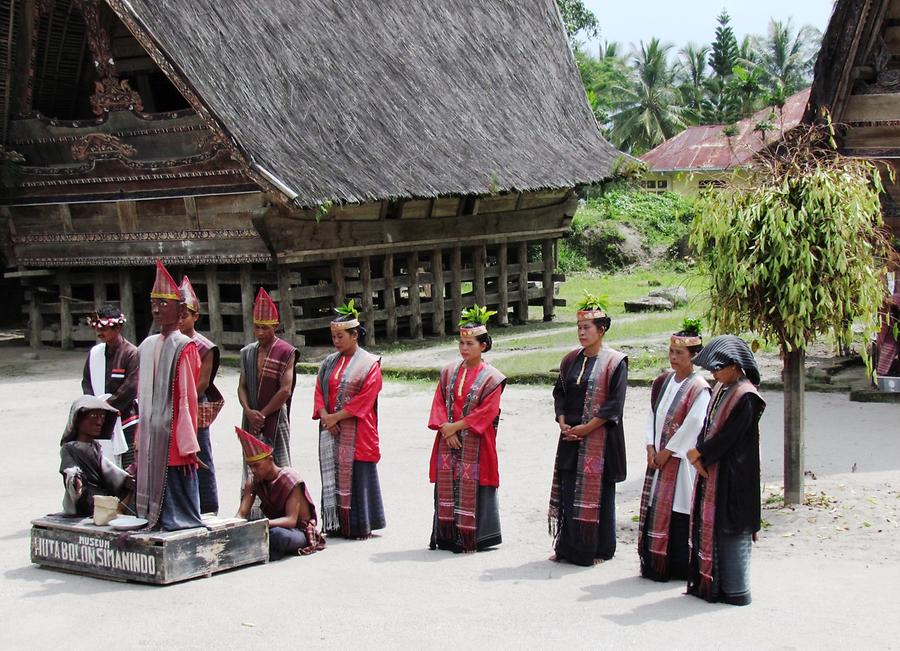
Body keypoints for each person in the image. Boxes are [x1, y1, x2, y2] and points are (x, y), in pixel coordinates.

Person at [685, 335, 766, 606]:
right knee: (712, 527)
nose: (714, 373)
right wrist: (699, 451)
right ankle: (712, 585)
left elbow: (729, 436)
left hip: (735, 476)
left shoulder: (747, 396)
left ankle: (734, 590)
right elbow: (708, 425)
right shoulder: (721, 387)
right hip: (714, 468)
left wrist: (701, 455)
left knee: (731, 528)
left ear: (735, 365)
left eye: (718, 368)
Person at [548, 292, 628, 566]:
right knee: (569, 488)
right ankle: (568, 547)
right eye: (579, 328)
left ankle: (599, 549)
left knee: (600, 495)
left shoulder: (616, 362)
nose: (582, 333)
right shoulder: (570, 359)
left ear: (601, 330)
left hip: (600, 438)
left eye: (587, 328)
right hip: (570, 435)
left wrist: (587, 428)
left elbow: (614, 404)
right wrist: (562, 421)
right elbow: (560, 392)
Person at [427, 305, 506, 553]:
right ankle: (448, 536)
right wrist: (445, 429)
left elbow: (487, 412)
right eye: (461, 343)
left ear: (483, 346)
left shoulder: (493, 378)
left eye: (469, 343)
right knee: (447, 483)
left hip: (476, 442)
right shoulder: (448, 372)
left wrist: (455, 428)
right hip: (447, 439)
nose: (464, 348)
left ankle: (477, 537)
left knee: (476, 484)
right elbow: (439, 402)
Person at [637, 320, 710, 581]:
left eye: (679, 353)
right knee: (656, 507)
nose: (673, 357)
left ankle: (677, 566)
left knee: (678, 512)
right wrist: (650, 445)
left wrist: (668, 451)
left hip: (679, 463)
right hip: (658, 457)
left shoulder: (699, 387)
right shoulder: (663, 382)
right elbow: (653, 414)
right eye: (671, 351)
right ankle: (654, 561)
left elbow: (694, 424)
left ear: (694, 356)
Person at [135, 259, 203, 531]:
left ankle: (179, 520)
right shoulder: (148, 345)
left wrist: (187, 439)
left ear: (179, 309)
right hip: (151, 424)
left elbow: (187, 396)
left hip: (174, 428)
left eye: (163, 303)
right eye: (154, 303)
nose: (156, 309)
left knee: (174, 468)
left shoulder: (184, 346)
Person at [313, 299, 386, 539]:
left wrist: (336, 417)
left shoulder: (369, 364)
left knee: (357, 473)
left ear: (355, 335)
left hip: (358, 430)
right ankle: (336, 524)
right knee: (333, 473)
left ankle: (359, 524)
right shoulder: (328, 363)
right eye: (333, 336)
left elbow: (365, 399)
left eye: (340, 336)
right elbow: (319, 392)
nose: (336, 341)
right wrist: (326, 417)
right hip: (331, 428)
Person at [236, 426, 325, 561]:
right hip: (273, 527)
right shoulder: (253, 481)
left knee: (277, 535)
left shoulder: (289, 478)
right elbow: (242, 514)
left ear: (270, 459)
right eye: (250, 466)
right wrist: (233, 527)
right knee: (245, 534)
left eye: (257, 465)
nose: (253, 470)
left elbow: (291, 520)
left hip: (298, 531)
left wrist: (262, 524)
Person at [179, 275, 224, 514]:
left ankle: (208, 507)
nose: (180, 320)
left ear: (195, 317)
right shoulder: (169, 342)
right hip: (174, 404)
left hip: (194, 404)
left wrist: (181, 402)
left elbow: (202, 382)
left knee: (201, 454)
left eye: (185, 315)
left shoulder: (204, 346)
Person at [238, 287, 297, 468]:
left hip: (276, 416)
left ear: (276, 327)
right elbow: (242, 387)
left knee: (279, 467)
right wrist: (249, 412)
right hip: (251, 417)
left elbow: (285, 390)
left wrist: (261, 416)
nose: (260, 332)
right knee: (253, 468)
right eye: (257, 327)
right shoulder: (247, 352)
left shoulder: (286, 352)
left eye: (265, 328)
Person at [81, 306, 139, 466]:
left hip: (126, 418)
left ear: (118, 327)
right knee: (102, 465)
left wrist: (107, 406)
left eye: (104, 328)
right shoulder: (95, 353)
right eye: (97, 328)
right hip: (99, 417)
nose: (100, 332)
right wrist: (93, 405)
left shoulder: (131, 353)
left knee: (128, 466)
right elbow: (87, 382)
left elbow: (131, 388)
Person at [59, 395, 134, 517]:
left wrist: (125, 479)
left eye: (102, 416)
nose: (99, 422)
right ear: (78, 420)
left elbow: (106, 467)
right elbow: (69, 468)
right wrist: (75, 481)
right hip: (85, 497)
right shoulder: (69, 448)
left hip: (100, 495)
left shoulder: (95, 446)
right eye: (93, 416)